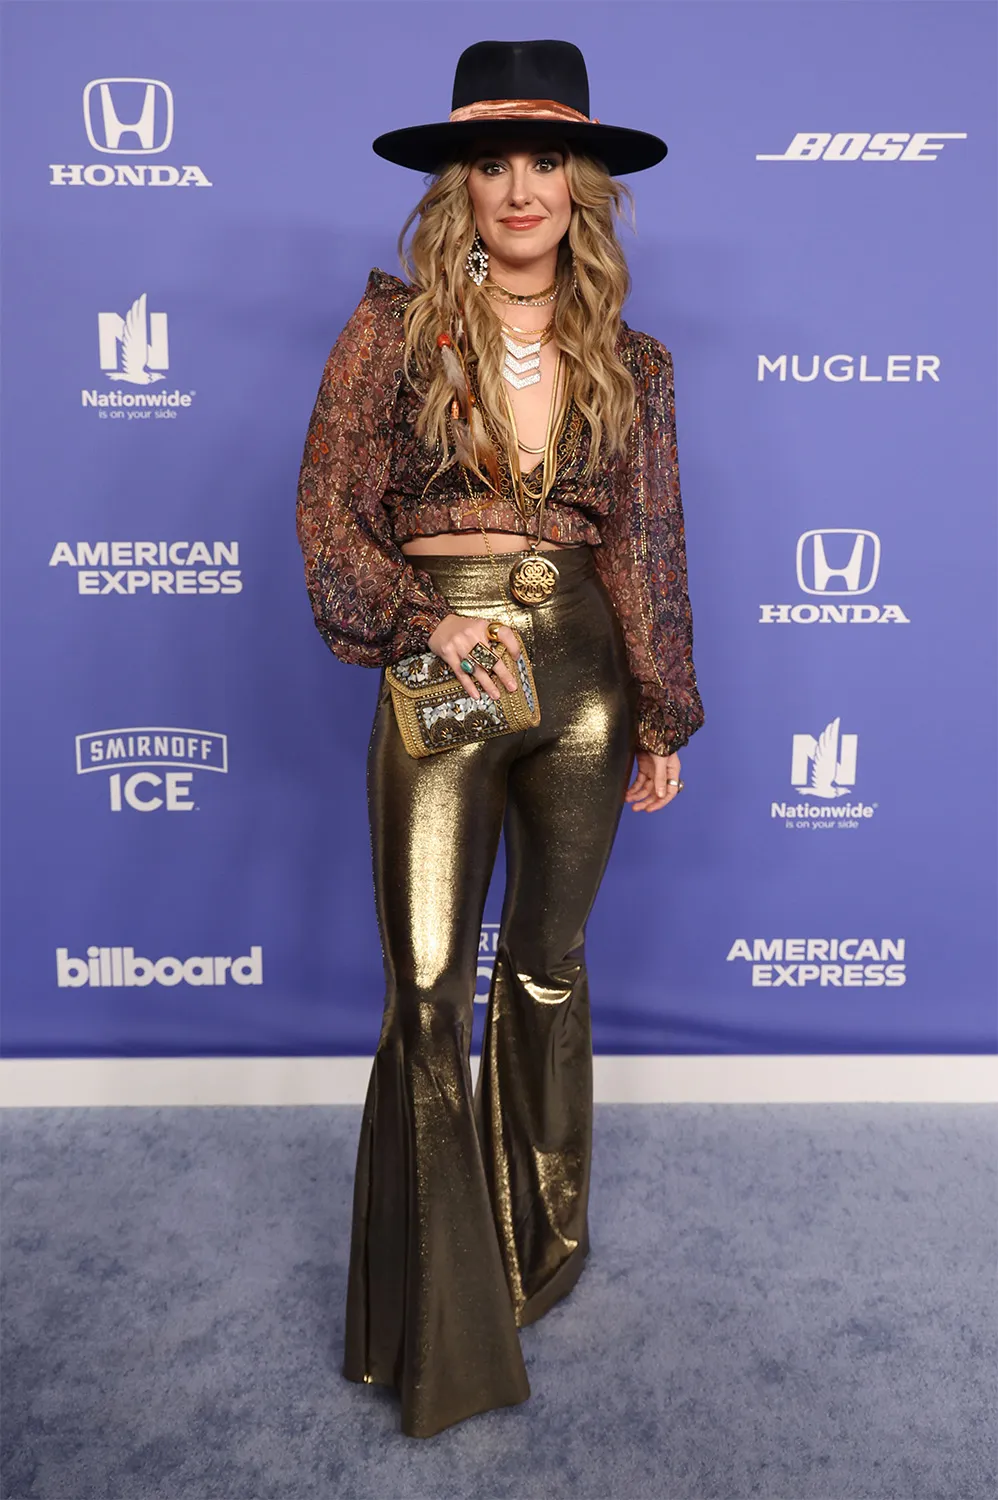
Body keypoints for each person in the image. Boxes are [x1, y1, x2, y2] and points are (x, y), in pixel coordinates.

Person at [295, 39, 705, 1439]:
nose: (520, 188)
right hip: (446, 663)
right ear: (455, 189)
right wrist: (427, 613)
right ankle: (434, 1315)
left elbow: (646, 547)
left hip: (584, 674)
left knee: (543, 965)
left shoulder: (632, 361)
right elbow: (328, 514)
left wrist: (662, 710)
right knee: (425, 989)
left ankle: (538, 1256)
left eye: (546, 160)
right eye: (490, 163)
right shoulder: (391, 332)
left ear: (583, 186)